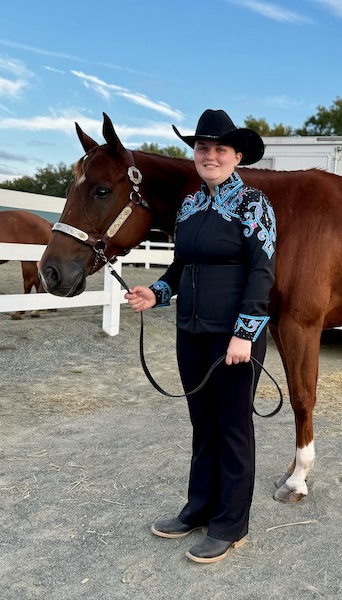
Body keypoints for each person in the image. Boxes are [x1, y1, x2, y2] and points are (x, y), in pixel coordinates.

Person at [124, 109, 276, 564]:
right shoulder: (189, 206)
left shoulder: (254, 205)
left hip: (233, 339)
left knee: (232, 429)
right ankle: (199, 508)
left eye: (219, 149)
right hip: (190, 334)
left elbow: (262, 272)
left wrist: (245, 334)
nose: (210, 155)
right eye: (202, 148)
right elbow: (180, 267)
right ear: (195, 154)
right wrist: (157, 293)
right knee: (203, 425)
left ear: (237, 155)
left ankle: (231, 523)